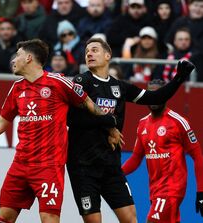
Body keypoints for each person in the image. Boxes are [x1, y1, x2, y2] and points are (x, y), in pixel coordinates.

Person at [0, 39, 121, 223]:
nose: (13, 60)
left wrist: (110, 126)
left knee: (49, 218)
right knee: (4, 216)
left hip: (48, 166)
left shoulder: (58, 82)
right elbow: (2, 123)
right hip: (20, 164)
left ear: (28, 58)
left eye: (17, 55)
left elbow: (88, 103)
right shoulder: (17, 88)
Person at [66, 37, 195, 223]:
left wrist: (178, 78)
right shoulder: (81, 81)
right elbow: (73, 118)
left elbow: (155, 97)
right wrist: (109, 122)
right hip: (84, 166)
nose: (89, 54)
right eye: (87, 52)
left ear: (108, 55)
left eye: (94, 50)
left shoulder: (119, 87)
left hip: (111, 166)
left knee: (131, 219)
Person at [122, 79, 203, 222]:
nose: (153, 98)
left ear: (166, 94)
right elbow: (136, 158)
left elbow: (197, 156)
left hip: (171, 189)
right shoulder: (142, 124)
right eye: (150, 94)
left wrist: (201, 192)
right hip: (154, 190)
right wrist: (116, 173)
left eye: (157, 93)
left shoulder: (178, 122)